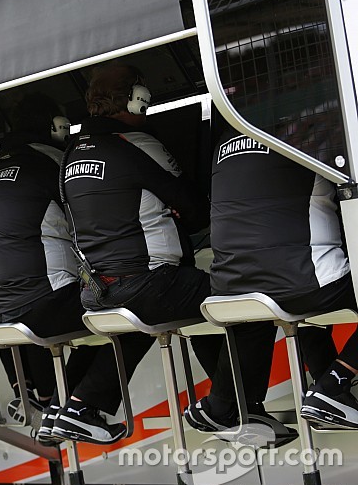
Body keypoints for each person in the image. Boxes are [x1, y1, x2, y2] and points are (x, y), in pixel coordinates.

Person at [62, 63, 285, 444]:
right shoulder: (139, 145)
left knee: (186, 306)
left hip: (98, 291)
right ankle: (225, 408)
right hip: (149, 283)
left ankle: (82, 406)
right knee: (250, 302)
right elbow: (196, 210)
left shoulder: (70, 156)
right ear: (136, 98)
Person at [0, 93, 109, 442]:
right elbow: (91, 221)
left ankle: (55, 407)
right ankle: (75, 407)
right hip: (37, 306)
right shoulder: (56, 161)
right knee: (122, 306)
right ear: (56, 128)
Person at [209, 123, 358, 430]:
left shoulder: (225, 135)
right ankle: (333, 385)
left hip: (233, 291)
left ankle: (225, 403)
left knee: (295, 296)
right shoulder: (315, 128)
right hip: (301, 283)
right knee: (305, 284)